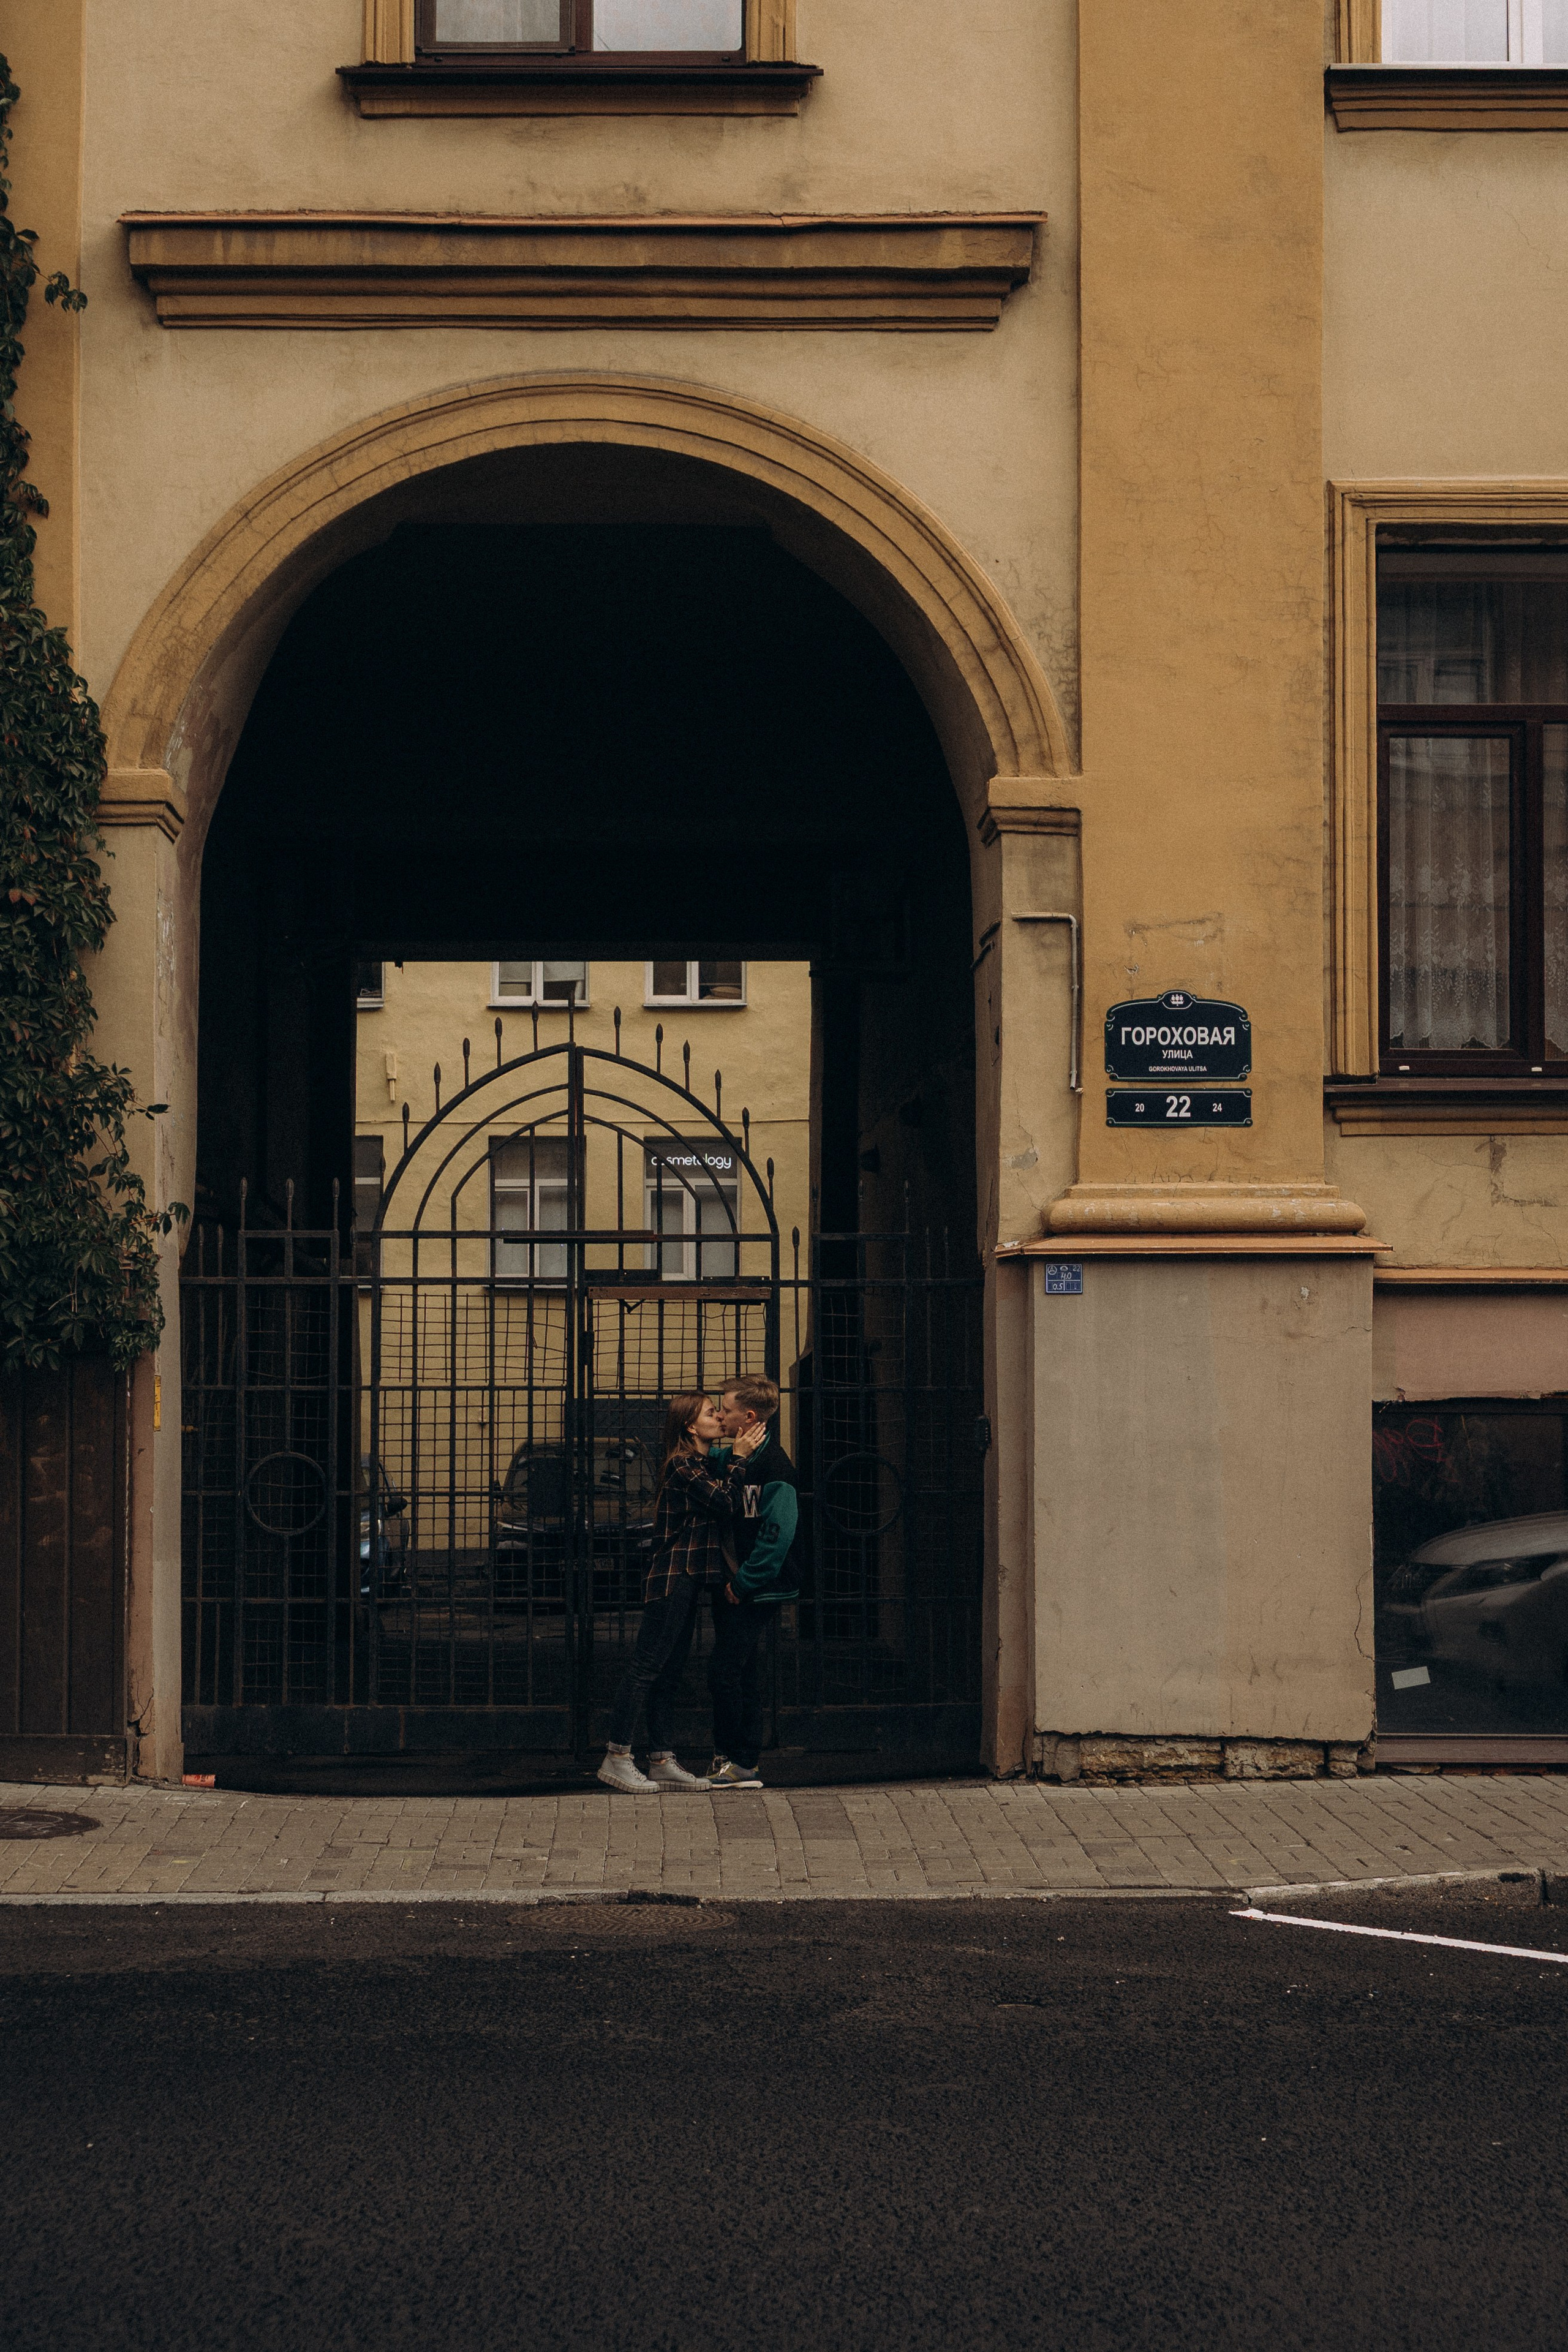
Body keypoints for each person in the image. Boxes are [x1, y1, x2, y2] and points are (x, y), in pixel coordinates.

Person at [598, 1391, 769, 1794]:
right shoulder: (682, 1465)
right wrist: (742, 1457)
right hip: (674, 1577)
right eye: (711, 1413)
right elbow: (726, 1502)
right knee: (646, 1667)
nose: (717, 1418)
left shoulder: (704, 1464)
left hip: (691, 1579)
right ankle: (617, 1756)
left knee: (669, 1673)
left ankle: (661, 1759)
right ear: (691, 1426)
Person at [705, 1374, 801, 1790]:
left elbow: (777, 1536)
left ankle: (741, 1762)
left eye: (724, 1408)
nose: (719, 1414)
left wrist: (743, 1584)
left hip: (756, 1589)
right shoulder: (734, 1459)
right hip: (734, 1585)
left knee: (725, 1671)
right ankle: (736, 1760)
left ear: (747, 1416)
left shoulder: (775, 1468)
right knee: (741, 1672)